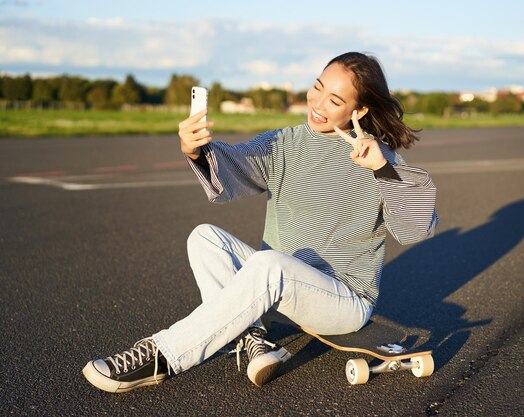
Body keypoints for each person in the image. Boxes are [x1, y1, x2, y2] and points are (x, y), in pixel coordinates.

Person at [82, 51, 438, 393]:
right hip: (283, 285)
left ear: (359, 109)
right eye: (317, 87)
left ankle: (162, 356)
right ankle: (254, 340)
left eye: (334, 100)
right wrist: (196, 150)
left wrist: (382, 170)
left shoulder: (379, 156)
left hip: (343, 299)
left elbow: (415, 228)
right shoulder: (287, 142)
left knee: (269, 265)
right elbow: (237, 161)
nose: (317, 104)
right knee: (204, 237)